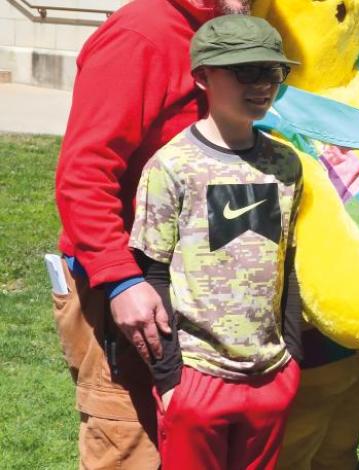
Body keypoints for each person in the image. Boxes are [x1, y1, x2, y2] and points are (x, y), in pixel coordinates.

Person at [52, 0, 248, 466]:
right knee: (132, 446)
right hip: (126, 289)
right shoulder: (143, 32)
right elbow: (84, 172)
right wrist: (122, 279)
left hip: (196, 285)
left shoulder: (234, 25)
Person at [128, 14, 302, 468]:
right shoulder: (171, 166)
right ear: (203, 77)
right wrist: (171, 380)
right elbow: (152, 273)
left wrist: (293, 361)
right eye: (246, 71)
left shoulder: (286, 164)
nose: (263, 84)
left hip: (271, 377)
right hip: (198, 377)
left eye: (272, 71)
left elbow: (288, 265)